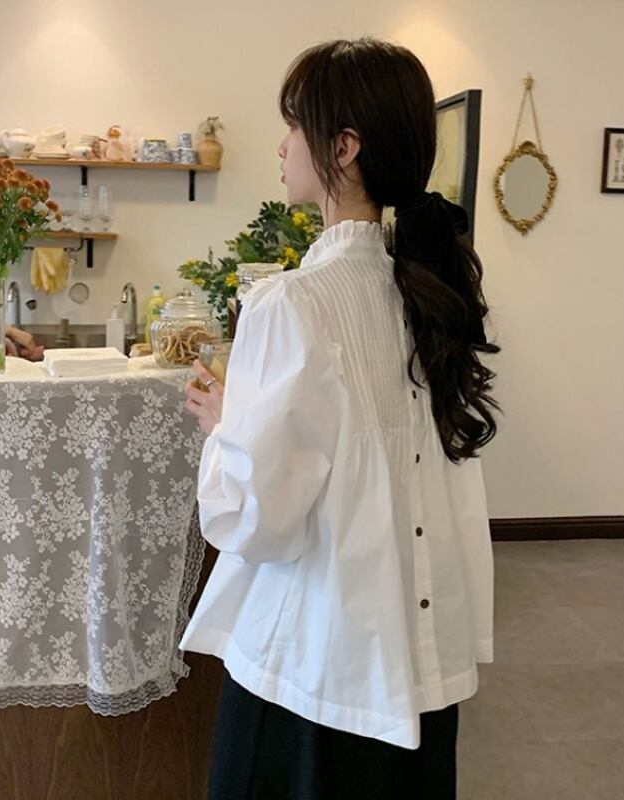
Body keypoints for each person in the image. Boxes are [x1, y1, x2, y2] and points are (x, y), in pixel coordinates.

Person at [181, 37, 501, 799]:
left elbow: (258, 520)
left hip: (315, 663)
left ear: (344, 147)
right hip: (418, 654)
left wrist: (225, 427)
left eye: (294, 124)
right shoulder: (430, 293)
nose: (282, 145)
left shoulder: (291, 302)